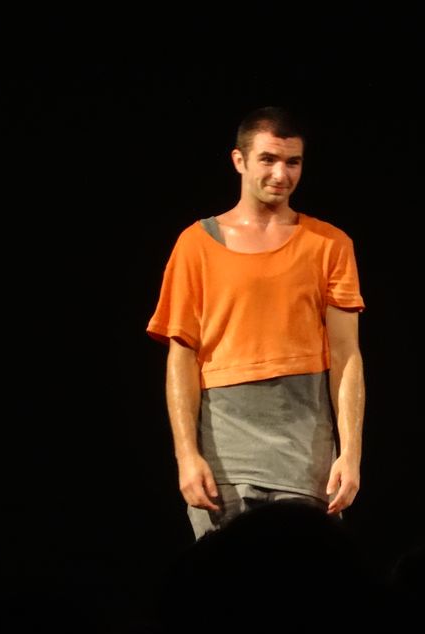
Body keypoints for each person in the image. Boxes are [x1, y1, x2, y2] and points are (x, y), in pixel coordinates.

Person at [147, 105, 365, 538]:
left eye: (292, 162)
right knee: (227, 573)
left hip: (304, 448)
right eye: (268, 159)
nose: (281, 174)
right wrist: (186, 456)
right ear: (239, 160)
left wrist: (351, 453)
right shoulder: (196, 245)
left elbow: (346, 355)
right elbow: (182, 358)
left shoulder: (330, 244)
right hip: (225, 447)